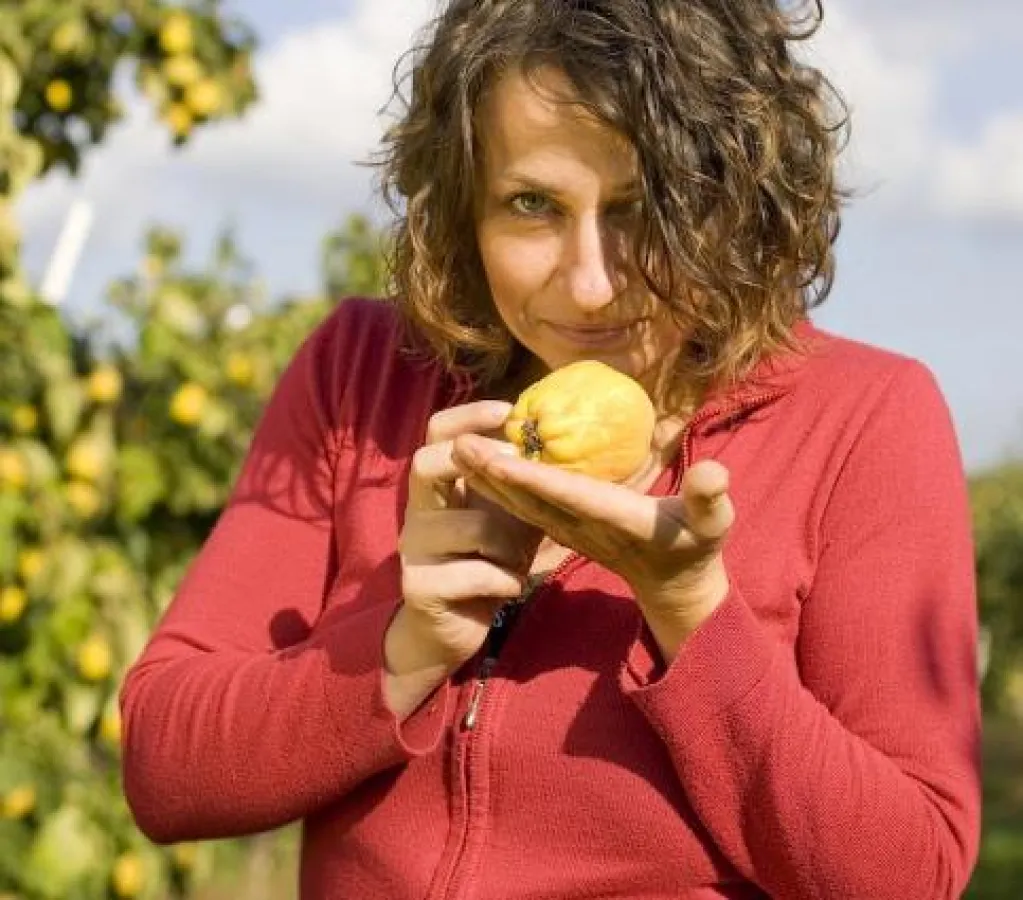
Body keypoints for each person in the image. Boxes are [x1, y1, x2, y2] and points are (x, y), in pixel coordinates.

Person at [120, 1, 982, 897]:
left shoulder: (862, 417)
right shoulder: (365, 375)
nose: (591, 283)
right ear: (462, 205)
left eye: (643, 206)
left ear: (736, 202)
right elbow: (164, 766)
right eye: (532, 205)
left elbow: (910, 871)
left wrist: (689, 611)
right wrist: (407, 646)